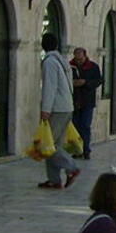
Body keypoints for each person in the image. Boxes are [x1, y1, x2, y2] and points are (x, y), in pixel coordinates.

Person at [38, 33, 80, 190]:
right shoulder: (62, 61)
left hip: (57, 108)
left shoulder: (49, 62)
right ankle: (54, 180)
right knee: (53, 143)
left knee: (49, 146)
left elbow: (50, 86)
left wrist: (45, 109)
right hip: (67, 106)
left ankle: (71, 168)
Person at [69, 48, 102, 160]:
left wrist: (86, 82)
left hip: (87, 101)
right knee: (76, 127)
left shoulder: (93, 67)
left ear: (84, 55)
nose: (78, 60)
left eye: (80, 57)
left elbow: (98, 81)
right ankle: (78, 150)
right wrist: (73, 83)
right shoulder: (70, 67)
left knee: (85, 126)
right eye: (76, 57)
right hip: (74, 101)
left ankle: (86, 150)